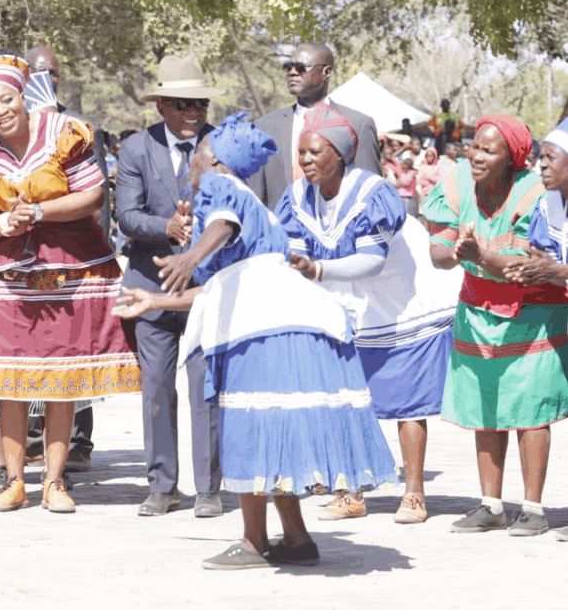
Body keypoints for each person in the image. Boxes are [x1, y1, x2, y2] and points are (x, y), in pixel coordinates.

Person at [113, 112, 397, 569]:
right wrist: (151, 300)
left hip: (264, 331)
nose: (192, 163)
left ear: (217, 161)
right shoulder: (256, 209)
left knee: (249, 428)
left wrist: (190, 254)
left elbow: (220, 224)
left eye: (200, 156)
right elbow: (217, 289)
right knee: (273, 429)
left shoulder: (220, 189)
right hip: (289, 322)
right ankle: (297, 538)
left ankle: (252, 541)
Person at [0, 54, 140, 513]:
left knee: (63, 377)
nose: (0, 110)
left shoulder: (63, 134)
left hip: (70, 269)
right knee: (7, 378)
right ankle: (14, 483)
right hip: (5, 272)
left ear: (23, 97)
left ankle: (54, 482)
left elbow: (92, 194)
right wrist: (1, 223)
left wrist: (39, 211)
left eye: (7, 99)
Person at [276, 104, 460, 524]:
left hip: (398, 298)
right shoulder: (298, 196)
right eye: (300, 152)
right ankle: (350, 491)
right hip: (344, 300)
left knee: (405, 399)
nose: (304, 160)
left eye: (313, 152)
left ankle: (414, 493)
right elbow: (296, 251)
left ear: (339, 155)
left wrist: (318, 270)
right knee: (344, 397)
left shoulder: (372, 192)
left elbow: (372, 261)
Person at [423, 114, 568, 536]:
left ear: (513, 159)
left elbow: (525, 266)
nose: (476, 155)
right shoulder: (453, 184)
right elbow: (438, 250)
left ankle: (534, 509)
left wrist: (478, 254)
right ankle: (490, 505)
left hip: (534, 312)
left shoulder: (535, 193)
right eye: (474, 146)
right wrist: (459, 252)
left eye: (489, 150)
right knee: (484, 403)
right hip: (477, 308)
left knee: (530, 407)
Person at [116, 53, 224, 517]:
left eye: (199, 104)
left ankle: (210, 488)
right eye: (182, 104)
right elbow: (125, 215)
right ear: (160, 105)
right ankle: (162, 485)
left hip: (208, 285)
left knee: (206, 386)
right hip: (149, 284)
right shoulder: (136, 149)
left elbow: (237, 206)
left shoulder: (221, 147)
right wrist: (168, 228)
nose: (193, 114)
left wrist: (198, 235)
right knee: (157, 388)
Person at [24, 45, 110, 474]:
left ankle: (78, 441)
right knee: (34, 342)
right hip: (24, 252)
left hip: (75, 247)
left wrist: (100, 243)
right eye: (38, 72)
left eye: (52, 72)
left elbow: (97, 194)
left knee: (75, 341)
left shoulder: (76, 127)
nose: (47, 78)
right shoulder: (11, 125)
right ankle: (33, 439)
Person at [506, 117, 568, 542]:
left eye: (550, 158)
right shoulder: (547, 206)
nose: (540, 166)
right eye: (540, 157)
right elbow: (541, 255)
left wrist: (556, 270)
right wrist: (527, 268)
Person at [248, 42, 382, 210]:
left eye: (301, 67)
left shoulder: (358, 125)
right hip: (280, 232)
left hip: (337, 231)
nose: (292, 72)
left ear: (326, 72)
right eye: (288, 66)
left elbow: (370, 192)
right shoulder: (264, 127)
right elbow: (255, 195)